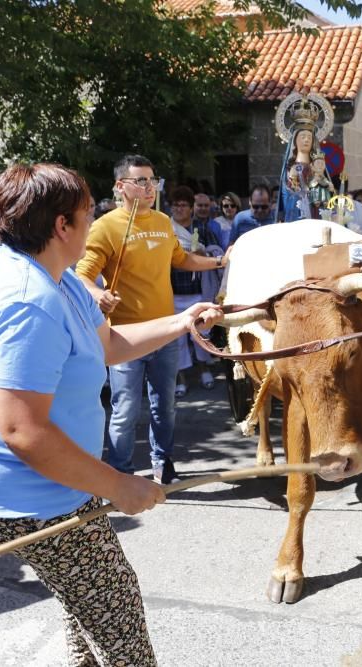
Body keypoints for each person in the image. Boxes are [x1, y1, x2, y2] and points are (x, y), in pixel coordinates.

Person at [0, 162, 223, 665]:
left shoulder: (58, 280)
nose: (94, 221)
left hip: (48, 485)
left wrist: (181, 322)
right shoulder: (27, 300)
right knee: (117, 620)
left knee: (87, 598)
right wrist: (117, 484)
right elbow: (22, 431)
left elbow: (110, 344)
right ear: (61, 226)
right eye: (88, 212)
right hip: (22, 494)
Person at [76, 155, 224, 484]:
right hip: (124, 338)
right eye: (140, 181)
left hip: (165, 332)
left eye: (152, 180)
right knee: (125, 409)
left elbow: (181, 259)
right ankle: (120, 473)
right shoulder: (105, 226)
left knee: (165, 406)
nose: (149, 187)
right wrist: (99, 294)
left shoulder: (162, 221)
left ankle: (162, 463)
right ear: (120, 186)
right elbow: (81, 276)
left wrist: (219, 262)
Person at [168, 186, 222, 395]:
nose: (179, 209)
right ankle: (181, 378)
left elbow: (217, 253)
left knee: (200, 334)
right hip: (173, 291)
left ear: (191, 208)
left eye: (183, 205)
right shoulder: (167, 230)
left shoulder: (202, 228)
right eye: (175, 205)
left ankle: (204, 370)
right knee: (177, 338)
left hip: (199, 291)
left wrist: (203, 252)